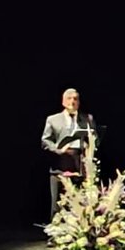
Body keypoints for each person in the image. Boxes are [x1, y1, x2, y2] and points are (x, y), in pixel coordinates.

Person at [41, 87, 97, 220]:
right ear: (63, 102)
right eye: (69, 98)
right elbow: (45, 141)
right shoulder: (53, 119)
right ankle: (56, 230)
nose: (72, 101)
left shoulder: (87, 119)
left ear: (79, 102)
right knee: (58, 205)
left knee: (81, 203)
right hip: (60, 164)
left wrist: (89, 145)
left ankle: (80, 229)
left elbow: (95, 138)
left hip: (81, 165)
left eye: (75, 99)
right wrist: (58, 150)